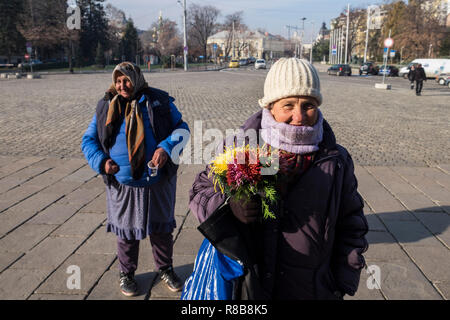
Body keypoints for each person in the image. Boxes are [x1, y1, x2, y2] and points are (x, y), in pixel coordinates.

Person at [187, 58, 369, 300]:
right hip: (251, 285)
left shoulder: (335, 160)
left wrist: (342, 280)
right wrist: (229, 206)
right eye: (288, 105)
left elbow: (352, 222)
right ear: (271, 106)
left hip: (313, 289)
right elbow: (200, 191)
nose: (299, 115)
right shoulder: (241, 146)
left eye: (308, 104)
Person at [81, 62, 189, 297]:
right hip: (122, 185)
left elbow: (182, 129)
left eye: (127, 80)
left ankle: (166, 268)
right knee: (126, 233)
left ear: (137, 79)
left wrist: (165, 148)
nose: (122, 85)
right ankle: (126, 273)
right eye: (118, 81)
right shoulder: (105, 106)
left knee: (161, 230)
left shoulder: (159, 101)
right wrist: (101, 161)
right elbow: (88, 140)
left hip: (158, 181)